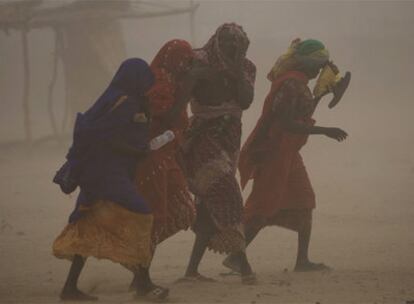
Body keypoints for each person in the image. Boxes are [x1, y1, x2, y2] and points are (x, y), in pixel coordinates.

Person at [223, 39, 348, 273]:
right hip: (275, 152)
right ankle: (235, 257)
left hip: (288, 153)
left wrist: (320, 94)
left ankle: (302, 261)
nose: (319, 71)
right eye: (319, 66)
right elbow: (286, 123)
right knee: (263, 204)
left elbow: (300, 113)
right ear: (309, 65)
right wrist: (325, 131)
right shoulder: (291, 83)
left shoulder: (298, 82)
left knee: (304, 200)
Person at [52, 58, 168, 301]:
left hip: (98, 174)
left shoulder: (119, 98)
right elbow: (104, 138)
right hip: (107, 174)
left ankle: (70, 288)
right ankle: (144, 284)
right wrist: (136, 152)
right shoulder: (125, 102)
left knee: (87, 223)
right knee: (143, 215)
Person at [179, 23, 257, 284]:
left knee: (209, 204)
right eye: (226, 43)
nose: (230, 49)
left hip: (230, 139)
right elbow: (181, 98)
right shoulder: (199, 61)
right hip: (203, 137)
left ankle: (191, 271)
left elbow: (246, 101)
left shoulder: (246, 68)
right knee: (228, 193)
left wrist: (235, 72)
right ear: (216, 41)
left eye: (236, 46)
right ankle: (244, 267)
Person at [129, 40, 196, 290]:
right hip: (152, 157)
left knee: (182, 210)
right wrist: (187, 90)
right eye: (184, 60)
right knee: (155, 216)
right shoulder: (160, 80)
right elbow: (165, 118)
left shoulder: (172, 80)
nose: (187, 65)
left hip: (166, 156)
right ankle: (141, 278)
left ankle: (138, 266)